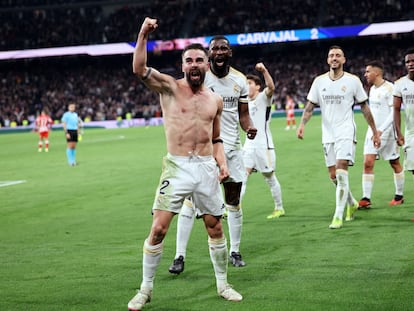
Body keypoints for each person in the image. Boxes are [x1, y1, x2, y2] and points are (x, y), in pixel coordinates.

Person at [127, 17, 243, 311]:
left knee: (215, 228)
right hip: (177, 167)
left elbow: (216, 139)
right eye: (189, 60)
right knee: (158, 230)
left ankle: (223, 284)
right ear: (182, 65)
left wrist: (222, 163)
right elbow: (139, 69)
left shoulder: (214, 100)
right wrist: (143, 34)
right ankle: (145, 290)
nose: (194, 64)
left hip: (205, 167)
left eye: (199, 60)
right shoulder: (169, 88)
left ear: (207, 65)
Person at [168, 35, 257, 274]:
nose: (218, 52)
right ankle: (179, 256)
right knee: (189, 203)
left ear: (229, 53)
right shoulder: (198, 78)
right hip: (203, 154)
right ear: (209, 56)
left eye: (222, 48)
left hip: (232, 151)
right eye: (214, 49)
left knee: (233, 201)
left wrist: (248, 127)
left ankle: (235, 251)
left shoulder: (239, 80)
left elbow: (244, 115)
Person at [297, 45, 381, 229]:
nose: (334, 58)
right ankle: (351, 203)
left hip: (345, 131)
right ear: (328, 60)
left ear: (344, 60)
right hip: (328, 134)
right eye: (331, 55)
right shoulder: (319, 82)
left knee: (342, 170)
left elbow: (365, 108)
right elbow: (310, 106)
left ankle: (338, 215)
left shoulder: (353, 81)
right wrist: (302, 125)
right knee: (334, 175)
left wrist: (374, 131)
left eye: (338, 55)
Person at [240, 62, 285, 219]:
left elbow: (271, 87)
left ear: (257, 87)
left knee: (269, 177)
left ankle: (279, 208)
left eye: (249, 83)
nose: (247, 86)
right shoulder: (244, 102)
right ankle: (233, 209)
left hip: (263, 146)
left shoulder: (263, 98)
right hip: (248, 147)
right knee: (242, 177)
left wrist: (264, 70)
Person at [358, 60, 405, 209]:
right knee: (368, 162)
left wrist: (381, 130)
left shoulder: (390, 88)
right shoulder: (372, 89)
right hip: (372, 131)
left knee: (394, 162)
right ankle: (366, 198)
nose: (365, 74)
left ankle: (399, 195)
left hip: (386, 132)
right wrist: (374, 130)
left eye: (368, 71)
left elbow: (393, 112)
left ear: (376, 73)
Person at [394, 48, 414, 218]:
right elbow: (395, 109)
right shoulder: (400, 84)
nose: (411, 64)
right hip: (411, 133)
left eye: (413, 61)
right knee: (413, 169)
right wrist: (399, 133)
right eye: (408, 61)